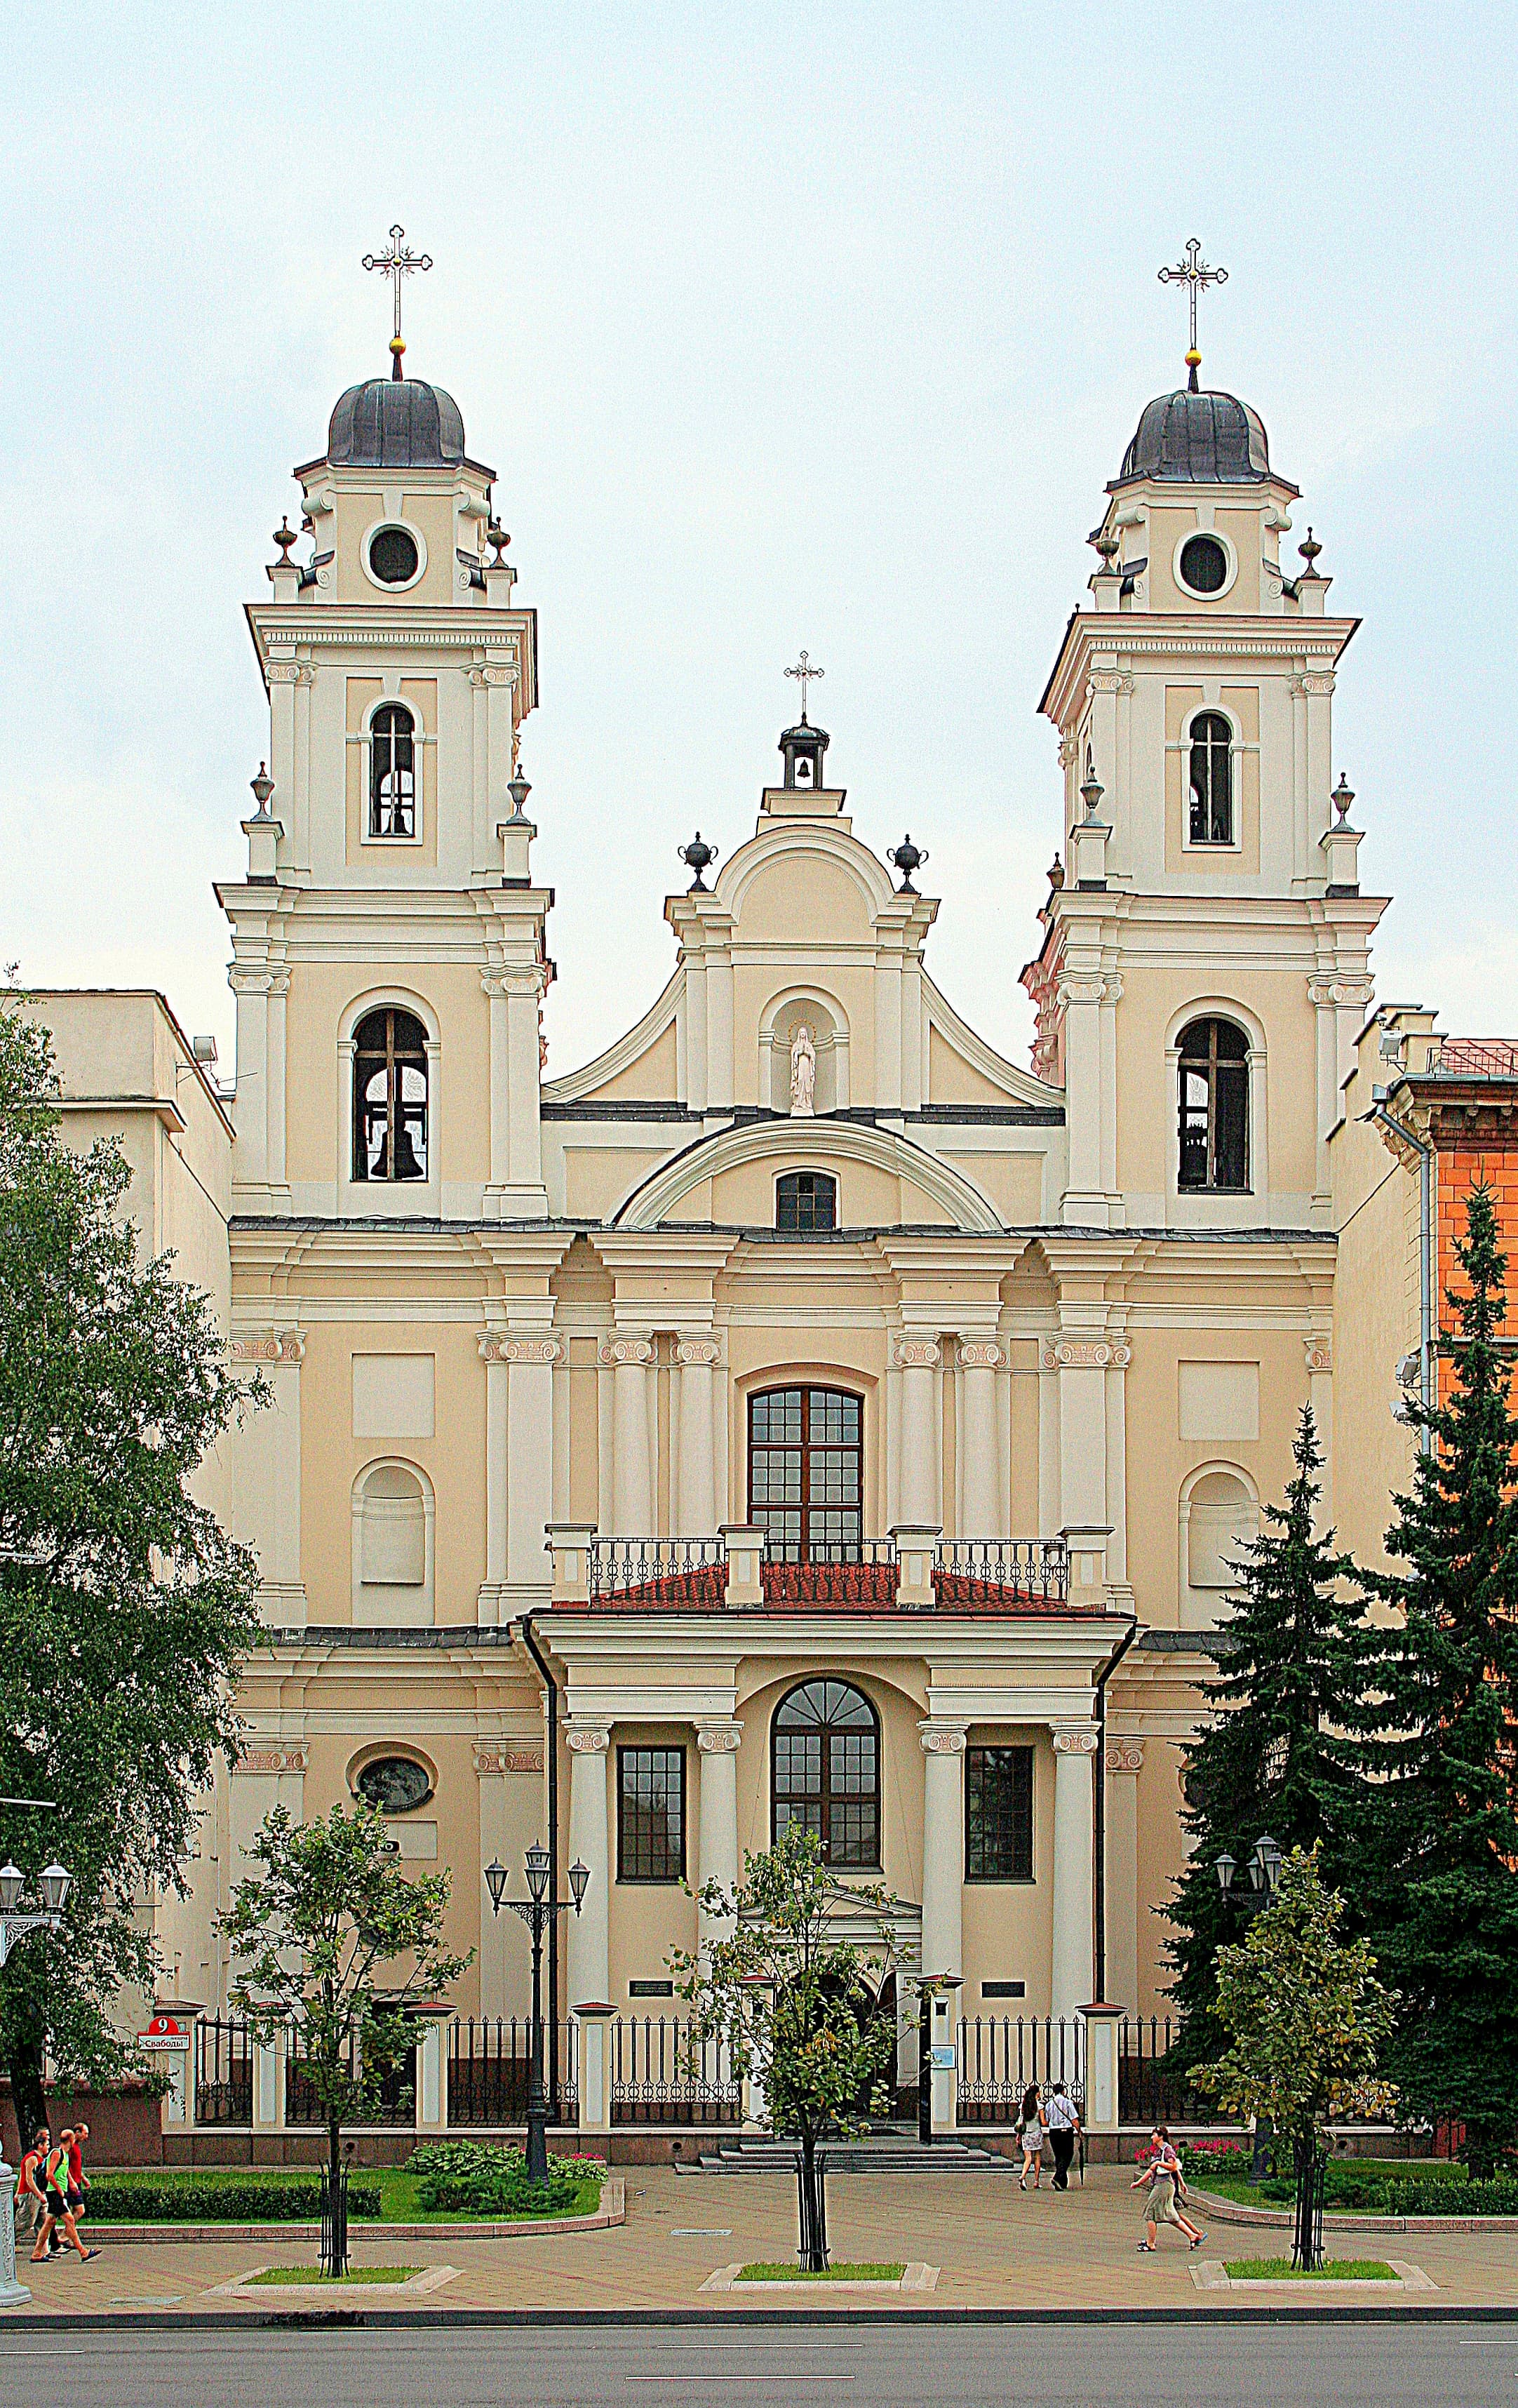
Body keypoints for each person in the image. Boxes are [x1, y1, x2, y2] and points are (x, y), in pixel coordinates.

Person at [1131, 2124, 1206, 2252]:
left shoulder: (1167, 2150)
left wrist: (1160, 2164)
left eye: (1154, 2135)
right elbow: (1152, 2170)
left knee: (1150, 2213)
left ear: (1161, 2137)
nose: (1151, 2137)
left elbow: (1173, 2167)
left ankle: (1151, 2243)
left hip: (1164, 2185)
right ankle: (1193, 2236)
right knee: (1171, 2215)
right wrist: (1139, 2182)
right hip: (1160, 2184)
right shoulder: (1158, 2151)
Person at [30, 2129, 99, 2265]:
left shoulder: (65, 2154)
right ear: (71, 2140)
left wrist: (71, 2182)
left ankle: (37, 2253)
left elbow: (64, 2169)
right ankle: (83, 2252)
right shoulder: (56, 2153)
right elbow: (49, 2175)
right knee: (69, 2220)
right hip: (54, 2193)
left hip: (58, 2192)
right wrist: (59, 2190)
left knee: (49, 2222)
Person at [15, 2128, 49, 2245]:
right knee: (25, 2223)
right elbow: (29, 2180)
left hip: (38, 2194)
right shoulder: (32, 2158)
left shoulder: (40, 2159)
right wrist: (40, 2196)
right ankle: (8, 2243)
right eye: (47, 2145)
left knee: (43, 2223)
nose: (48, 2148)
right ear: (40, 2145)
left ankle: (43, 2251)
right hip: (30, 2194)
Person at [1045, 2080, 1082, 2190]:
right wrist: (1079, 2131)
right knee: (1068, 2154)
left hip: (1053, 2132)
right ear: (1063, 2091)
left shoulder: (1049, 2104)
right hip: (1066, 2131)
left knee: (1058, 2156)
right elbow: (1074, 2119)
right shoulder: (1067, 2103)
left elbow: (1046, 2121)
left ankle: (1062, 2182)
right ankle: (1057, 2177)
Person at [1016, 2082, 1046, 2190]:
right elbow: (1043, 2122)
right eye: (1039, 2092)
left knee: (1028, 2158)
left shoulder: (1023, 2106)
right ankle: (1036, 2181)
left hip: (1026, 2134)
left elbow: (1021, 2122)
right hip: (1036, 2133)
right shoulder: (1040, 2106)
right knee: (1037, 2157)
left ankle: (1023, 2176)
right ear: (1036, 2094)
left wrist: (1018, 2136)